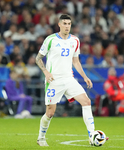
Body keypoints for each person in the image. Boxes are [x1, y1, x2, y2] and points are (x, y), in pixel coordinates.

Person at [35, 14, 107, 146]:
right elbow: (38, 58)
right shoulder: (50, 40)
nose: (67, 26)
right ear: (59, 24)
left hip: (69, 79)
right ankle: (41, 138)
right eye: (64, 23)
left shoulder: (75, 40)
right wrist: (46, 72)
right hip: (53, 80)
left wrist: (85, 77)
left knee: (86, 101)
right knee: (50, 113)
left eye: (69, 24)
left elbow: (75, 61)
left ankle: (91, 135)